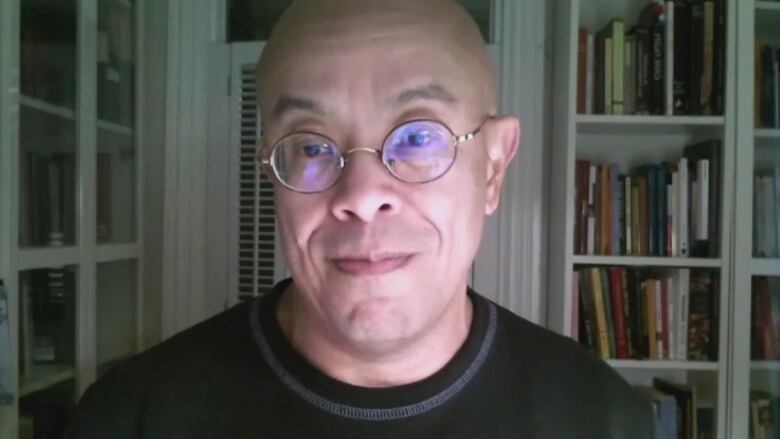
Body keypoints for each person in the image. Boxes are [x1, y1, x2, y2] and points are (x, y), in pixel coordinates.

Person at [69, 1, 656, 437]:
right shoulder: (131, 419)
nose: (362, 193)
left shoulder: (601, 419)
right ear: (272, 171)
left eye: (419, 136)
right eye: (312, 145)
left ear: (494, 167)